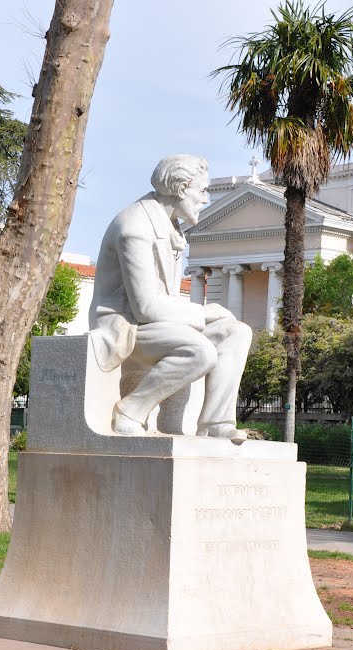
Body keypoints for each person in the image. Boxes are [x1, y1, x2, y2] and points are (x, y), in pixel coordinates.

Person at [88, 154, 251, 440]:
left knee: (236, 332)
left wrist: (204, 316)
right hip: (125, 326)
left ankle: (215, 424)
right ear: (180, 189)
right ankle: (130, 411)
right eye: (202, 191)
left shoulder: (170, 227)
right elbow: (146, 307)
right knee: (200, 350)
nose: (205, 200)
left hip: (156, 326)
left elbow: (164, 300)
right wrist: (203, 313)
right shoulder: (134, 227)